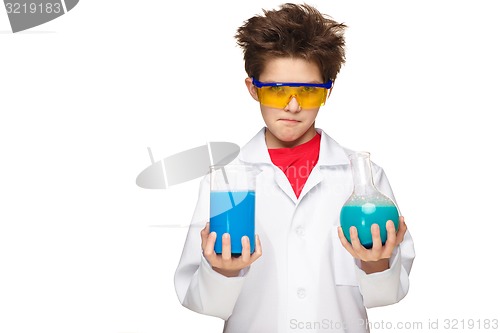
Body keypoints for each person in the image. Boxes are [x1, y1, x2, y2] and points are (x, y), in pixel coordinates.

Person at [174, 3, 415, 332]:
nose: (292, 106)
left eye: (307, 91)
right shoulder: (226, 179)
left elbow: (386, 295)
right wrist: (224, 271)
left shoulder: (363, 179)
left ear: (327, 91)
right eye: (276, 90)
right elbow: (203, 303)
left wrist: (377, 264)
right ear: (253, 89)